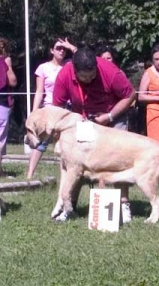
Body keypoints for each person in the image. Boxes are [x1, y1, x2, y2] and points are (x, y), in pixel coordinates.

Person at [53, 47, 136, 222]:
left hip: (113, 116)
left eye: (92, 75)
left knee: (119, 160)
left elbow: (130, 94)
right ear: (75, 71)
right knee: (74, 162)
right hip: (82, 121)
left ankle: (124, 205)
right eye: (85, 77)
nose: (89, 79)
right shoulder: (63, 75)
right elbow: (57, 108)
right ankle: (70, 206)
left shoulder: (109, 70)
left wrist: (109, 116)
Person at [26, 38, 77, 179]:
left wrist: (70, 45)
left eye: (63, 49)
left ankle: (68, 176)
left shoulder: (70, 65)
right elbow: (39, 91)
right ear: (51, 50)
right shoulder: (43, 68)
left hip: (67, 110)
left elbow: (81, 56)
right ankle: (30, 174)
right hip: (50, 109)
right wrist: (35, 112)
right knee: (42, 143)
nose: (61, 50)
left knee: (68, 144)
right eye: (58, 48)